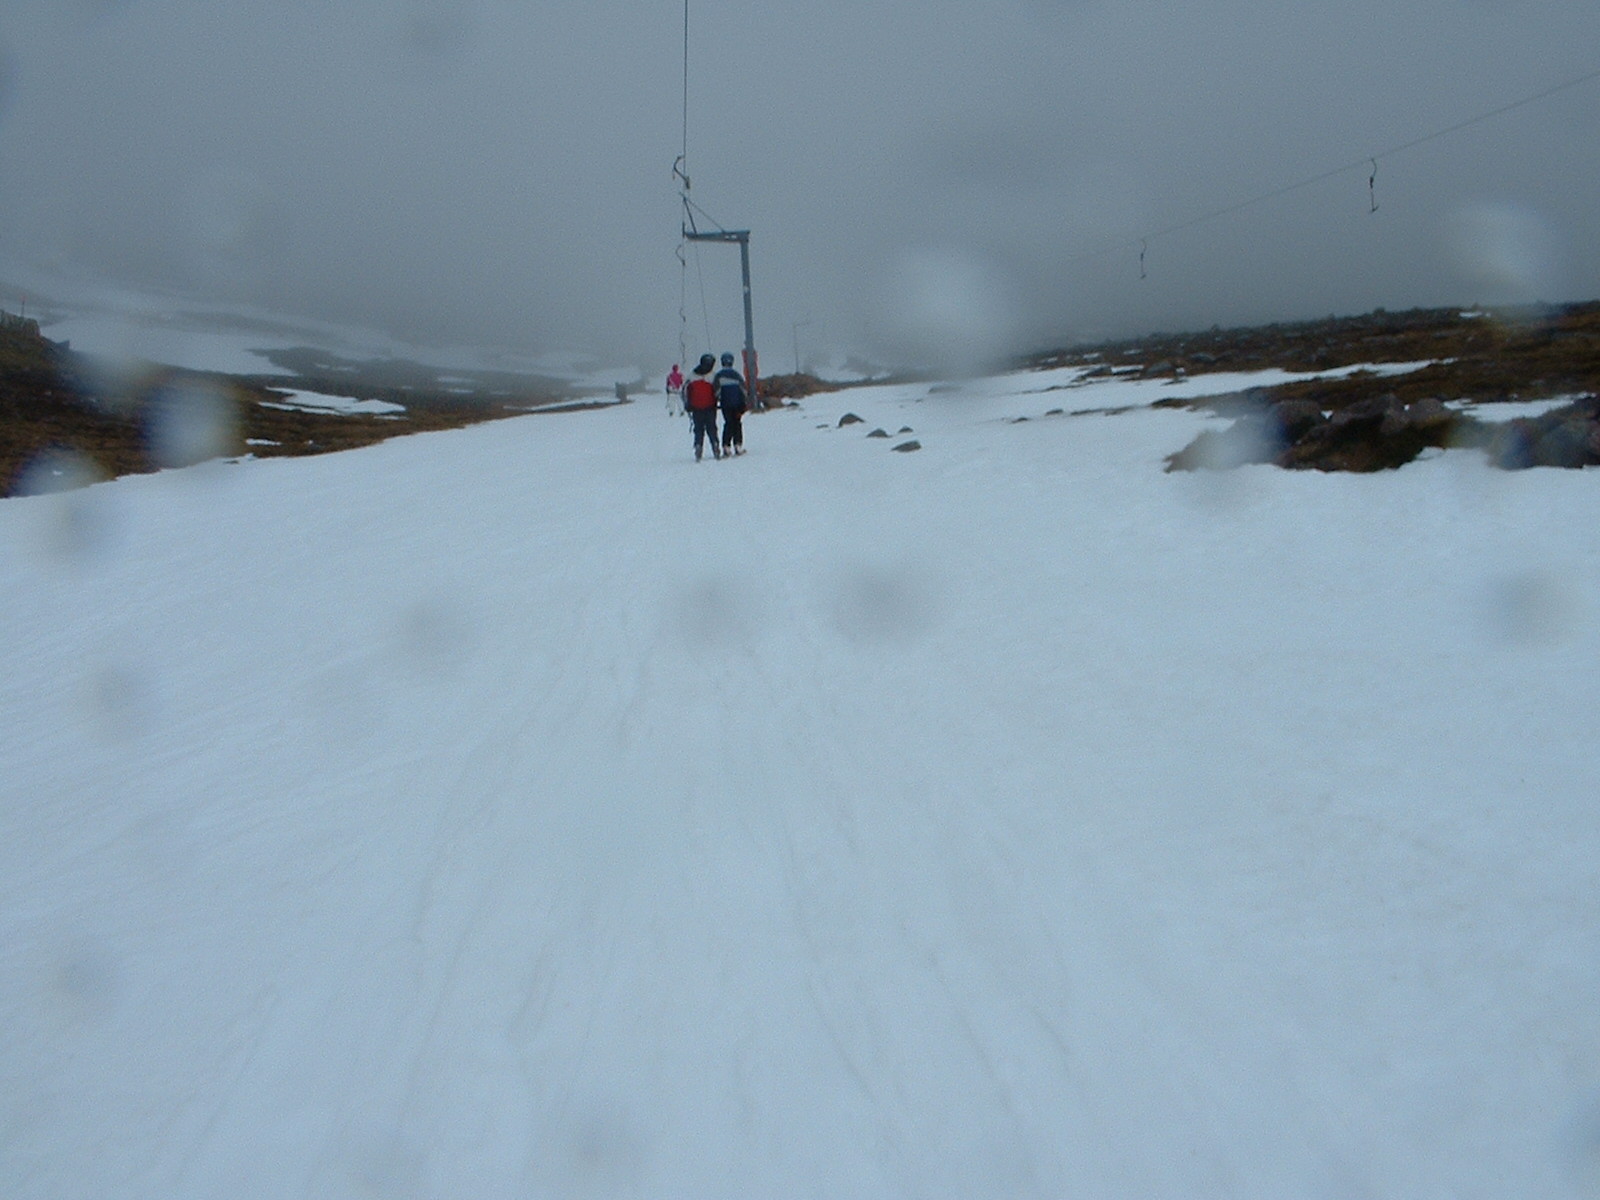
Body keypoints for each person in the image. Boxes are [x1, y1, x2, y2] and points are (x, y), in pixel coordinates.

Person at [683, 353, 721, 460]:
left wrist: (688, 404)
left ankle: (698, 446)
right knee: (712, 428)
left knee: (698, 429)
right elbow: (718, 391)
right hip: (710, 407)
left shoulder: (691, 375)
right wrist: (718, 401)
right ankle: (715, 445)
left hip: (696, 408)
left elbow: (685, 391)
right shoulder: (713, 376)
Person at [714, 352, 748, 456]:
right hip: (737, 404)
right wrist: (744, 402)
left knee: (728, 424)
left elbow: (716, 392)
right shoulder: (737, 375)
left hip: (725, 404)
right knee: (737, 423)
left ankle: (726, 446)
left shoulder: (718, 376)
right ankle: (738, 445)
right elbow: (744, 391)